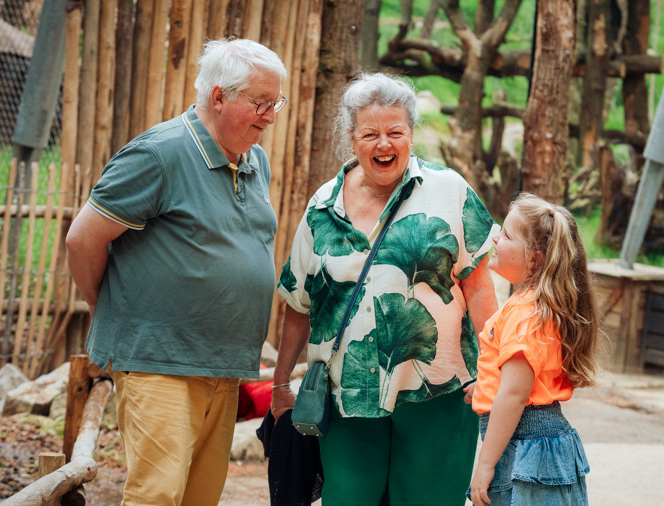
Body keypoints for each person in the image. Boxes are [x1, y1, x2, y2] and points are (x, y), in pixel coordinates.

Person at [65, 38, 287, 505]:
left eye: (276, 103)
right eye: (261, 103)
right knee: (158, 495)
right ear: (219, 96)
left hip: (222, 364)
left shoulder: (255, 160)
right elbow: (82, 240)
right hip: (159, 361)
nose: (270, 116)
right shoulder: (159, 154)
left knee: (200, 496)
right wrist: (109, 309)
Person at [271, 72, 499, 505]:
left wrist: (494, 367)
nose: (384, 145)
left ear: (411, 133)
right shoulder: (323, 206)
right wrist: (281, 382)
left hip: (439, 393)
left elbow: (480, 288)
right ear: (351, 138)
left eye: (395, 132)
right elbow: (299, 301)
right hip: (348, 397)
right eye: (370, 134)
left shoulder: (450, 190)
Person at [466, 193, 598, 506]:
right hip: (534, 439)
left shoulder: (525, 314)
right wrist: (486, 387)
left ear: (534, 259)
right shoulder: (534, 306)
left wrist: (485, 465)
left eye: (507, 235)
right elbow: (523, 376)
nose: (495, 238)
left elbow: (514, 394)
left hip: (525, 442)